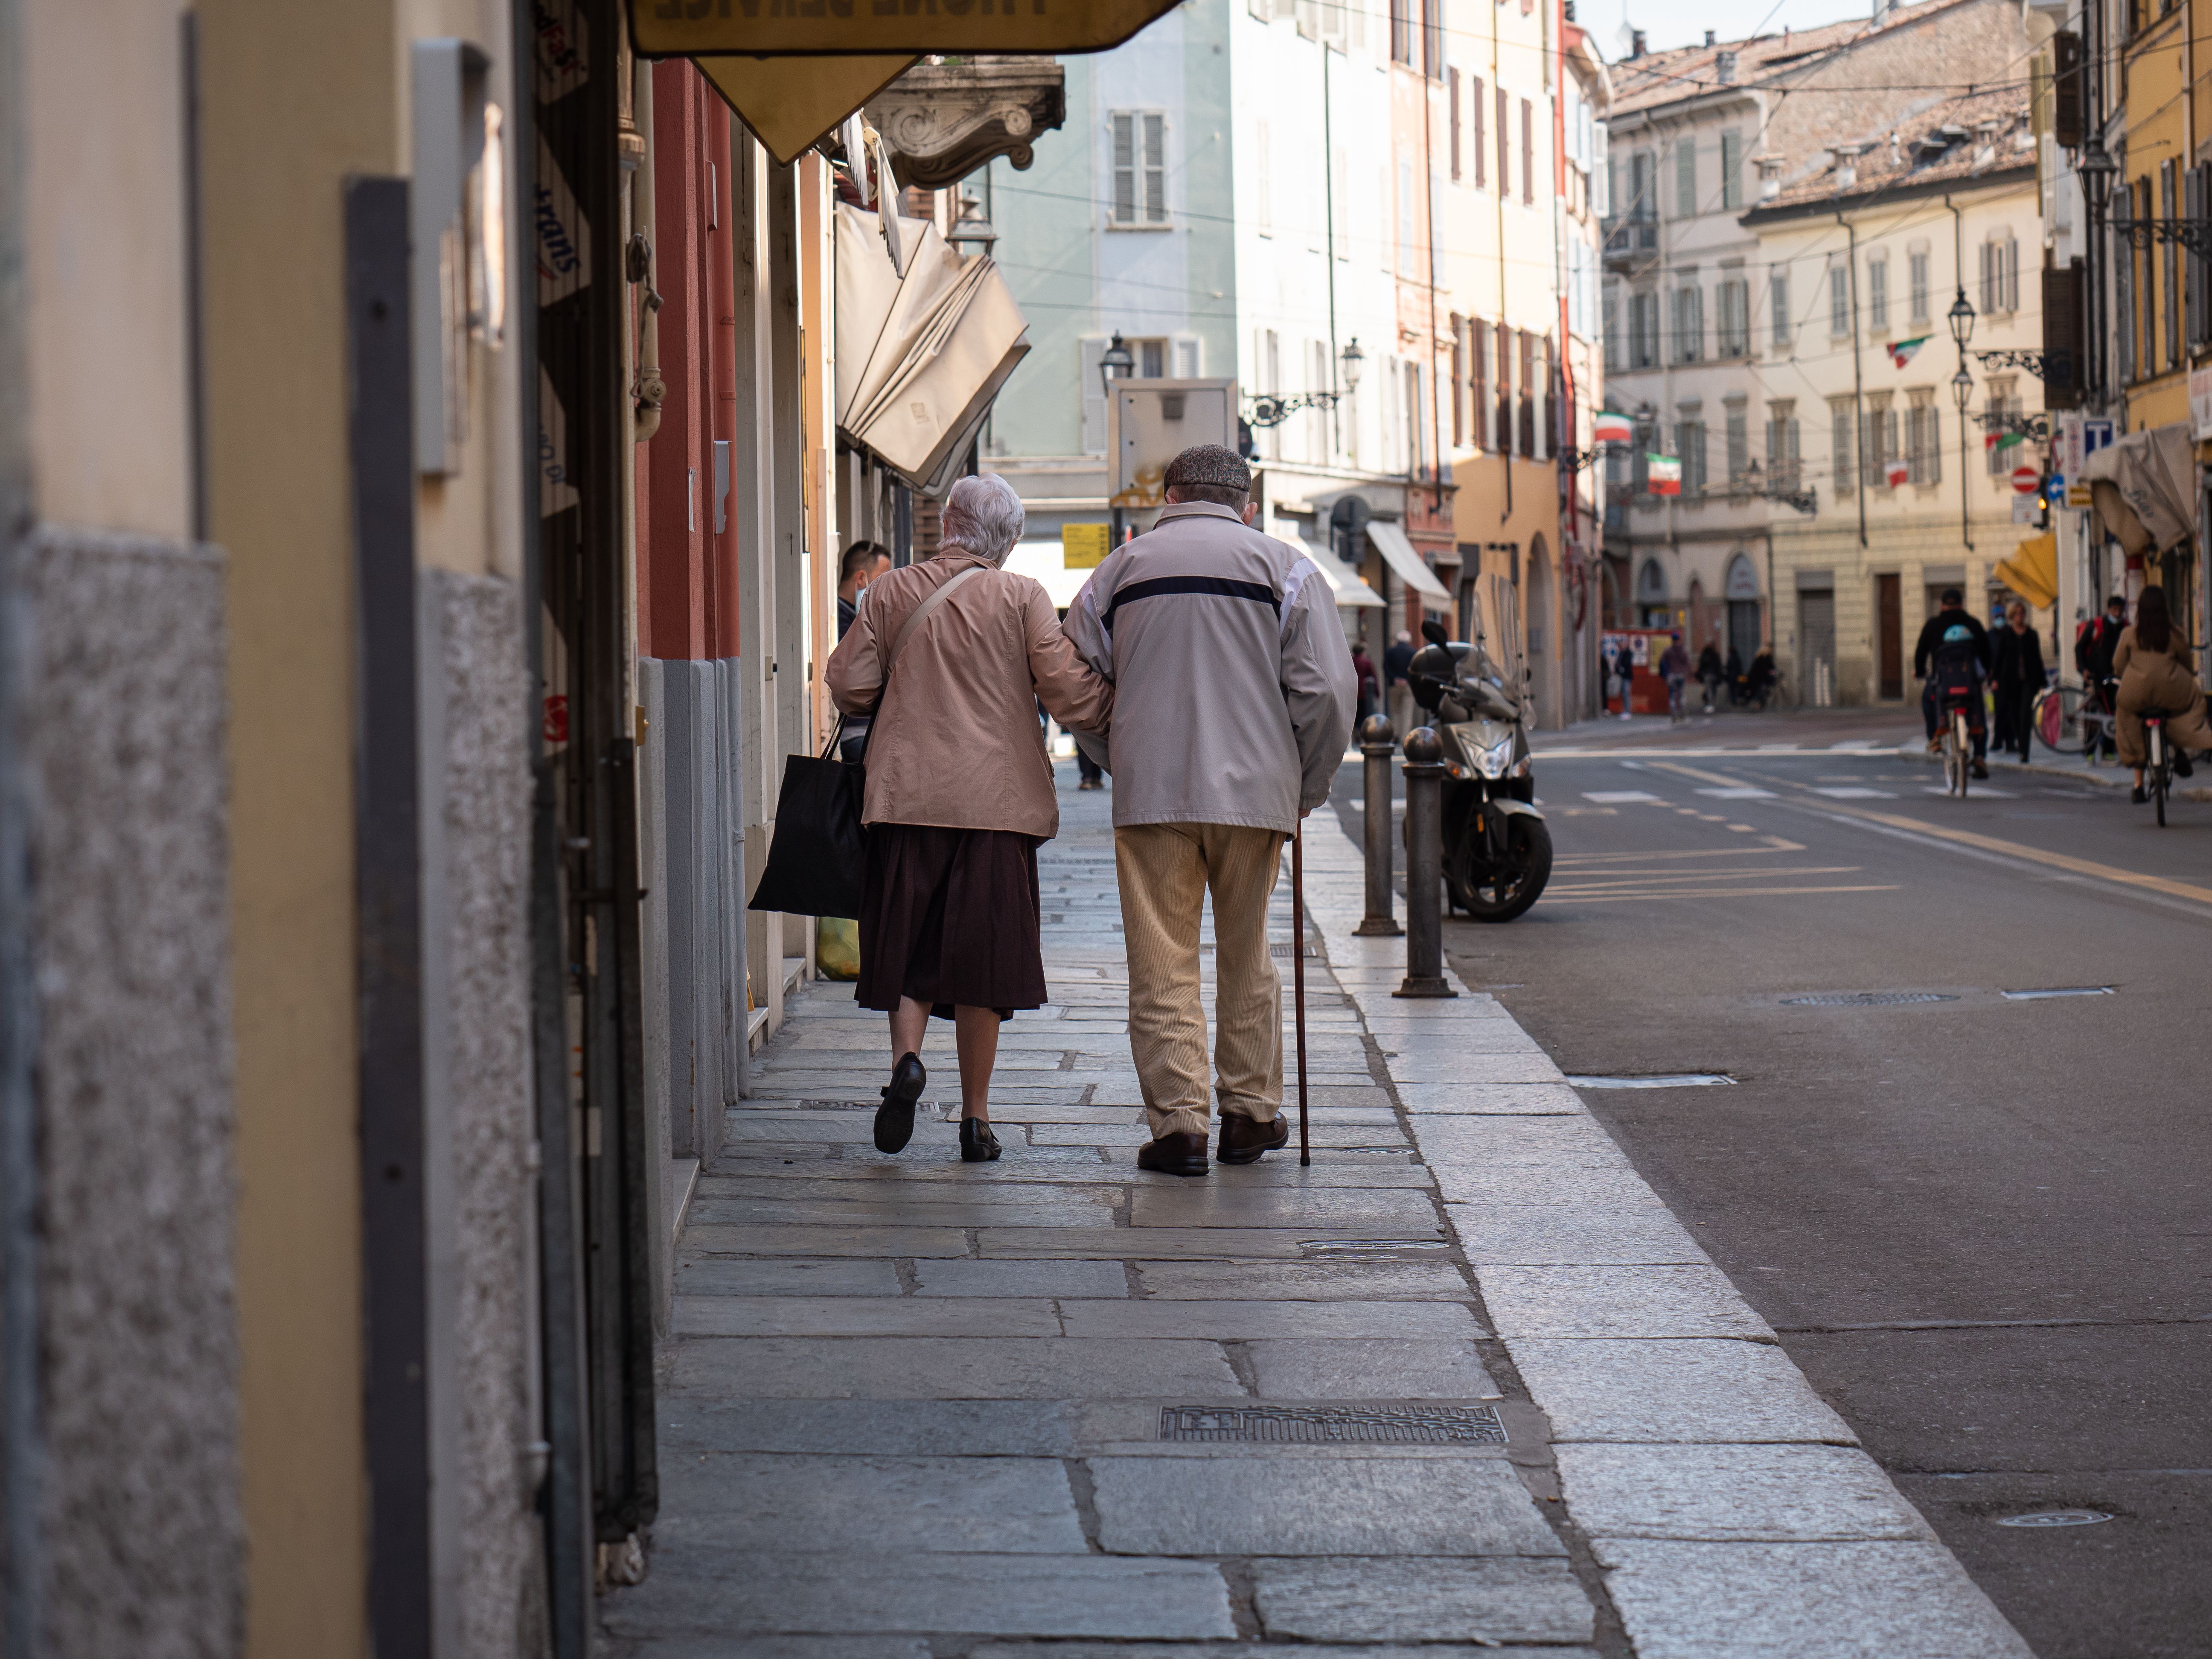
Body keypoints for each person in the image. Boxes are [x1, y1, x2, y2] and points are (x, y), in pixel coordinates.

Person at [1065, 444, 1355, 1178]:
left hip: (1152, 790)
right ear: (1244, 503)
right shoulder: (1284, 568)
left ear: (1167, 495)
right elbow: (1323, 690)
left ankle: (1178, 1127)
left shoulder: (1120, 570)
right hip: (1255, 794)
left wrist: (1112, 750)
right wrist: (1304, 785)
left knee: (1160, 959)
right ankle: (1249, 1114)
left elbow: (1074, 675)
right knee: (1247, 952)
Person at [825, 475, 1113, 1164]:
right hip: (995, 804)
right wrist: (1119, 708)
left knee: (908, 942)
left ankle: (905, 1063)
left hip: (906, 798)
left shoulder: (890, 591)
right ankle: (977, 1119)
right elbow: (1067, 691)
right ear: (1007, 539)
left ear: (947, 525)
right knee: (981, 961)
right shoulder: (1021, 596)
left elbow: (848, 683)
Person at [2112, 584, 2212, 803]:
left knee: (2128, 715)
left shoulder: (2129, 634)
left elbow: (2118, 666)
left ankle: (2138, 784)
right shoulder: (2174, 635)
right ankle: (2180, 750)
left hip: (2136, 692)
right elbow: (2186, 663)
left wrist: (2127, 674)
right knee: (2188, 706)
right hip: (2171, 689)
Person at [1914, 587, 1991, 779]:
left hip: (1943, 683)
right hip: (1969, 684)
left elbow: (1921, 651)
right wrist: (1988, 674)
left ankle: (1936, 737)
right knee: (1978, 712)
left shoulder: (1933, 625)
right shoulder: (1973, 624)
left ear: (1942, 605)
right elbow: (1987, 652)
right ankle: (1980, 756)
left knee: (1928, 700)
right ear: (1961, 603)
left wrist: (1921, 671)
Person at [834, 541, 894, 760]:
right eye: (882, 580)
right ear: (861, 579)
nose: (888, 590)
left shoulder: (855, 618)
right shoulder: (842, 622)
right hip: (856, 732)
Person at [1990, 600, 2046, 761]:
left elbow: (2037, 657)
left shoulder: (2032, 634)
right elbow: (1999, 659)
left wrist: (2042, 681)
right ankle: (2020, 743)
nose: (2020, 616)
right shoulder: (2006, 635)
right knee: (2014, 714)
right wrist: (1995, 679)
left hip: (2029, 680)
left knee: (2025, 714)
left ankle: (2024, 751)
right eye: (2016, 614)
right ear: (2012, 616)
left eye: (2022, 613)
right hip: (2010, 681)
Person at [2075, 594, 2128, 760]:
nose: (2117, 614)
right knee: (2094, 714)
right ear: (2108, 610)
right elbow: (2080, 648)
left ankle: (2108, 751)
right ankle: (2090, 751)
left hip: (2115, 676)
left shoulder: (2126, 627)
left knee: (2112, 714)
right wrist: (2084, 670)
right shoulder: (2096, 625)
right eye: (2114, 610)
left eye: (2120, 610)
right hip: (2094, 675)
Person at [1383, 630, 1416, 743]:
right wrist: (1407, 679)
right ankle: (1405, 736)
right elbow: (1415, 669)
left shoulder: (1390, 652)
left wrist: (1395, 678)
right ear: (1409, 641)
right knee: (1407, 711)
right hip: (1408, 686)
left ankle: (1396, 734)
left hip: (1394, 685)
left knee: (1395, 710)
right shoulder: (1413, 652)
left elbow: (1386, 667)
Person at [1658, 632, 1691, 724]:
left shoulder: (1668, 650)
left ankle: (1674, 714)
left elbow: (1662, 661)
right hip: (1681, 674)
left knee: (1672, 694)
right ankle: (1682, 713)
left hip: (1671, 675)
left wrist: (1665, 673)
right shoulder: (1684, 650)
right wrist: (1687, 672)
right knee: (1681, 694)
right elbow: (1687, 663)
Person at [1351, 641, 1381, 728]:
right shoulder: (1366, 662)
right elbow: (1373, 676)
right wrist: (1377, 692)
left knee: (1356, 715)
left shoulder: (1351, 661)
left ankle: (1356, 733)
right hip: (1364, 693)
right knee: (1364, 714)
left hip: (1353, 692)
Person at [1697, 640, 1725, 714]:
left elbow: (1702, 665)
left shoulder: (1706, 655)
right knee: (1713, 690)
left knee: (1709, 690)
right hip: (1714, 675)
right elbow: (1719, 666)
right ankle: (1712, 704)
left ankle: (1710, 705)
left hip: (1708, 675)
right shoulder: (1715, 655)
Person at [1612, 638, 1638, 719]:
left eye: (1620, 645)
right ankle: (1625, 710)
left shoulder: (1628, 653)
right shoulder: (1621, 653)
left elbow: (1626, 663)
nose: (1620, 647)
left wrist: (1620, 665)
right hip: (1622, 676)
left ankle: (1627, 711)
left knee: (1626, 693)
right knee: (1623, 694)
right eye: (1618, 646)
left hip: (1627, 676)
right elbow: (1617, 664)